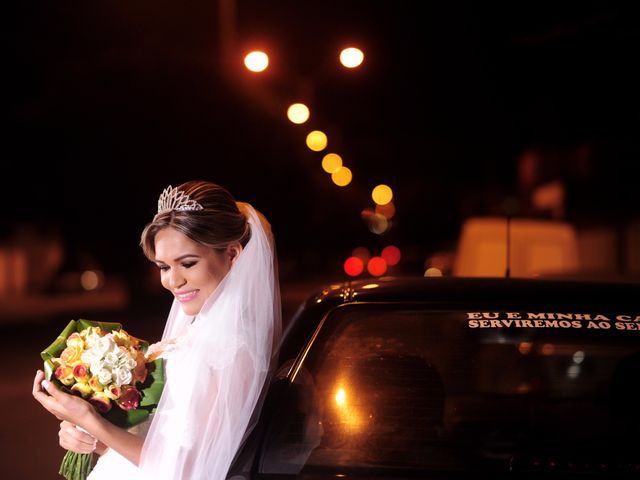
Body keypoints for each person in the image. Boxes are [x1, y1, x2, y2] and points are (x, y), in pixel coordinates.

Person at [33, 181, 282, 479]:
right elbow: (151, 449)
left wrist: (92, 420)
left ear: (232, 254)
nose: (173, 281)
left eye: (187, 263)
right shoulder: (191, 335)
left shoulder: (238, 353)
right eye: (164, 267)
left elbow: (193, 470)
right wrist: (92, 438)